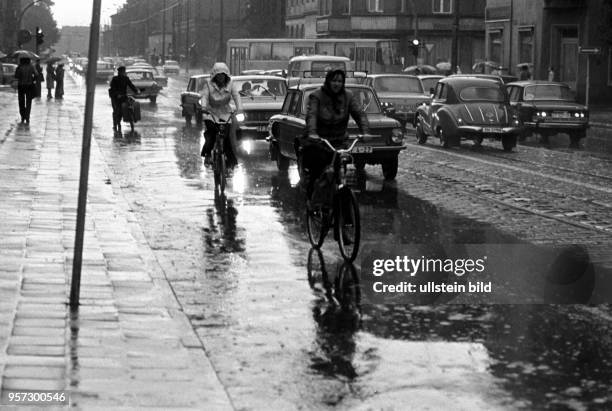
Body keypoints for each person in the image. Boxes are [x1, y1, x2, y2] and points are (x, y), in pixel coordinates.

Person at [299, 69, 369, 201]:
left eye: (340, 81)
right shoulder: (316, 96)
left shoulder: (348, 96)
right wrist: (313, 134)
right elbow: (312, 116)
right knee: (317, 171)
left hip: (339, 141)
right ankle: (312, 202)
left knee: (342, 169)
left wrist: (365, 132)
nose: (337, 84)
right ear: (328, 81)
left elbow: (359, 114)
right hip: (320, 142)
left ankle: (341, 205)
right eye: (334, 81)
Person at [199, 62, 243, 168]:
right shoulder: (208, 84)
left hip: (225, 113)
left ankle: (230, 161)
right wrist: (204, 107)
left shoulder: (231, 84)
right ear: (214, 76)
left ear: (226, 76)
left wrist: (240, 108)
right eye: (218, 75)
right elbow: (204, 96)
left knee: (227, 136)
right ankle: (208, 154)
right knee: (211, 133)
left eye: (223, 75)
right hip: (211, 113)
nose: (220, 77)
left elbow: (236, 96)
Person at [108, 66, 139, 132]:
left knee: (129, 104)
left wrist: (136, 91)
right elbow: (113, 88)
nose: (123, 73)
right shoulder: (115, 79)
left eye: (124, 72)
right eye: (122, 72)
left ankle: (131, 117)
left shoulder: (126, 78)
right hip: (115, 97)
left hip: (123, 96)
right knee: (116, 110)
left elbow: (131, 85)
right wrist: (117, 94)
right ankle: (115, 124)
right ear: (119, 72)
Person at [14, 57, 37, 124]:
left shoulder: (20, 67)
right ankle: (27, 117)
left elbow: (16, 76)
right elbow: (37, 74)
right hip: (29, 86)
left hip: (21, 86)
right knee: (28, 102)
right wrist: (33, 79)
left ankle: (22, 116)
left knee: (21, 102)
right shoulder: (31, 66)